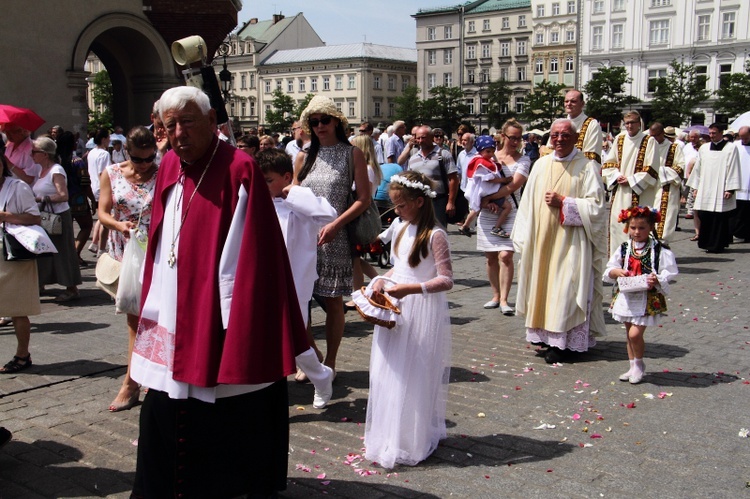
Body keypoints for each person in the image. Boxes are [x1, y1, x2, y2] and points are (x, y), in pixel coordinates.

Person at [129, 86, 309, 497]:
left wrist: (228, 317)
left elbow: (251, 257)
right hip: (172, 299)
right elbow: (160, 235)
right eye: (169, 125)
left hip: (217, 309)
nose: (178, 133)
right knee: (165, 398)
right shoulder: (170, 163)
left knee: (227, 400)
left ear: (212, 122)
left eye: (188, 122)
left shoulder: (239, 168)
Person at [364, 170, 453, 469]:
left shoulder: (435, 235)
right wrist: (381, 281)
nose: (396, 211)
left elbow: (446, 280)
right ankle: (391, 432)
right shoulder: (401, 227)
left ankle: (410, 437)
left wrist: (411, 289)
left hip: (419, 308)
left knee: (413, 372)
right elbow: (398, 268)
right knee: (388, 371)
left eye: (400, 206)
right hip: (396, 305)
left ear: (418, 202)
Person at [512, 119, 607, 364]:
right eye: (555, 135)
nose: (559, 139)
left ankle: (564, 345)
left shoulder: (587, 166)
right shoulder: (541, 165)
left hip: (572, 242)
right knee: (543, 287)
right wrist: (523, 234)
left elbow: (597, 207)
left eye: (565, 135)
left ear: (575, 138)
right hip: (541, 240)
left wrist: (565, 202)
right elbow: (528, 203)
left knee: (567, 288)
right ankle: (546, 337)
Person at [294, 95, 371, 375]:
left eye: (324, 120)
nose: (319, 126)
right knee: (300, 300)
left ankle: (332, 360)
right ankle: (311, 357)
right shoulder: (304, 154)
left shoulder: (352, 154)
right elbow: (293, 193)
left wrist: (337, 224)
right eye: (314, 122)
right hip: (303, 236)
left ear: (337, 121)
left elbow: (363, 198)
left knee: (333, 300)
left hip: (335, 236)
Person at [256, 148, 337, 408]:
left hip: (295, 281)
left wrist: (294, 192)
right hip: (262, 279)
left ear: (286, 176)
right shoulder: (257, 202)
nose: (264, 185)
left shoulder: (300, 202)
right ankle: (266, 389)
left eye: (268, 180)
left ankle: (321, 376)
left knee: (296, 338)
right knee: (263, 336)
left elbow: (329, 216)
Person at [97, 126, 158, 412]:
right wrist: (119, 225)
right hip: (126, 252)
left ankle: (142, 378)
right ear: (127, 153)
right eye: (139, 159)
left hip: (157, 253)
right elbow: (103, 212)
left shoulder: (163, 173)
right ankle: (131, 383)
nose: (145, 165)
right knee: (135, 319)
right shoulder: (112, 173)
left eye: (150, 158)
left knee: (157, 318)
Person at [604, 206, 678, 384]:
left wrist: (657, 279)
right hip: (627, 294)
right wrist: (616, 272)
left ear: (651, 227)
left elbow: (669, 271)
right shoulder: (624, 248)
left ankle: (639, 364)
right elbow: (610, 268)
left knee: (636, 334)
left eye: (641, 228)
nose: (636, 232)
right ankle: (633, 366)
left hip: (646, 297)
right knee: (629, 333)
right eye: (633, 228)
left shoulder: (658, 249)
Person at [478, 120, 531, 315]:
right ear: (503, 136)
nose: (515, 142)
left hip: (510, 211)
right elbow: (476, 180)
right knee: (491, 256)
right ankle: (495, 295)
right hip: (488, 211)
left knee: (506, 255)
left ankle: (505, 299)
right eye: (512, 138)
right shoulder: (490, 155)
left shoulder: (523, 160)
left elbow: (514, 185)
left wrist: (491, 196)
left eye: (519, 138)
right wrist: (483, 201)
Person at [0, 153, 44, 373]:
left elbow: (35, 218)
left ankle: (22, 354)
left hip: (13, 253)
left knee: (18, 309)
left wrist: (5, 216)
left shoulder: (17, 187)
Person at [31, 137, 82, 302]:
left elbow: (63, 195)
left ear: (44, 154)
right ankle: (42, 283)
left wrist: (41, 199)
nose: (31, 155)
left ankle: (71, 287)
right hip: (45, 217)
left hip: (58, 217)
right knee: (44, 251)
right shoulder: (41, 170)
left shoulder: (56, 170)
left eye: (34, 152)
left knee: (64, 251)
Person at [602, 111, 657, 256]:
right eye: (627, 123)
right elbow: (609, 163)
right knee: (617, 226)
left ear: (639, 123)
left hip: (639, 193)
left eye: (633, 122)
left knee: (639, 227)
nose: (629, 126)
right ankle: (618, 261)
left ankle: (639, 261)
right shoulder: (619, 139)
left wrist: (631, 179)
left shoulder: (648, 141)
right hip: (620, 191)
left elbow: (652, 168)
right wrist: (617, 175)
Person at [686, 123, 742, 253]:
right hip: (705, 188)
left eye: (714, 133)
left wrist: (730, 189)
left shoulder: (731, 148)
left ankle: (718, 244)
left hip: (721, 187)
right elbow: (698, 168)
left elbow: (734, 168)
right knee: (704, 214)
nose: (711, 136)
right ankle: (705, 242)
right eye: (710, 133)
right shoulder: (704, 148)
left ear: (721, 133)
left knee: (719, 217)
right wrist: (695, 187)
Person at [345, 135, 382, 311]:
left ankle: (358, 294)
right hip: (359, 214)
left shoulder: (366, 169)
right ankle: (379, 282)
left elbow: (362, 193)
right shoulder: (370, 167)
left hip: (360, 216)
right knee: (356, 258)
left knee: (355, 259)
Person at [459, 135, 512, 238]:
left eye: (493, 151)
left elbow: (494, 164)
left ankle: (465, 226)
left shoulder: (479, 159)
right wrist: (503, 180)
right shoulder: (481, 163)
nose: (491, 154)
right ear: (481, 150)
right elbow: (488, 178)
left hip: (482, 192)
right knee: (508, 207)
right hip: (489, 191)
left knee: (475, 209)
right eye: (488, 151)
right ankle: (497, 227)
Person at [407, 125, 458, 227]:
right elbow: (410, 180)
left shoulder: (443, 154)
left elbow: (453, 179)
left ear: (431, 137)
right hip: (419, 202)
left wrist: (451, 202)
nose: (421, 140)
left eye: (423, 137)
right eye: (418, 138)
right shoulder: (413, 158)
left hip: (438, 201)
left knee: (438, 230)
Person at [56, 131, 94, 266]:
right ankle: (75, 254)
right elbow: (85, 183)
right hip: (78, 200)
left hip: (60, 201)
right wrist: (93, 200)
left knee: (66, 230)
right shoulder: (77, 162)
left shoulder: (56, 162)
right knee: (86, 226)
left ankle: (68, 255)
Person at [645, 123, 685, 242]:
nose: (653, 139)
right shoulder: (647, 146)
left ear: (663, 134)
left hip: (666, 187)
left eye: (656, 136)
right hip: (649, 186)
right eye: (651, 136)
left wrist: (659, 171)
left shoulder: (674, 148)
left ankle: (662, 246)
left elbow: (680, 168)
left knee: (665, 219)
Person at [87, 128, 112, 254]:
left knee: (100, 216)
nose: (110, 140)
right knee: (105, 217)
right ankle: (101, 247)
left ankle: (95, 243)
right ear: (103, 139)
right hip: (101, 187)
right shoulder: (104, 154)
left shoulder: (91, 152)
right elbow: (104, 173)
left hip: (93, 187)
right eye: (108, 137)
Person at [730, 126, 750, 242]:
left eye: (746, 137)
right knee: (737, 212)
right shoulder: (735, 146)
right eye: (741, 137)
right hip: (739, 182)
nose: (744, 140)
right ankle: (736, 233)